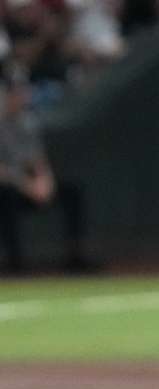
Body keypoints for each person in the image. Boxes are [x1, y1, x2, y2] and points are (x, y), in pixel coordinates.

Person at [0, 74, 90, 273]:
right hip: (12, 187)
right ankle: (15, 262)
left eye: (22, 92)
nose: (21, 97)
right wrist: (27, 186)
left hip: (31, 186)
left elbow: (38, 159)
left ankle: (75, 255)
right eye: (16, 93)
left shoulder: (27, 123)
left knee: (71, 191)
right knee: (6, 196)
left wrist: (45, 182)